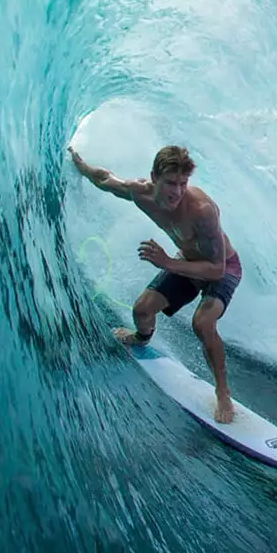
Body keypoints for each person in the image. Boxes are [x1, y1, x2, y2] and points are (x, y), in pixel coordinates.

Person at [69, 143, 243, 423]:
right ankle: (142, 337)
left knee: (202, 323)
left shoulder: (202, 211)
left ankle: (223, 393)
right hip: (185, 262)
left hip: (222, 269)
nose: (177, 191)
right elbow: (105, 180)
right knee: (141, 311)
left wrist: (167, 263)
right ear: (153, 178)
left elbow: (215, 268)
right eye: (171, 183)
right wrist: (82, 167)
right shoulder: (141, 194)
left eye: (183, 183)